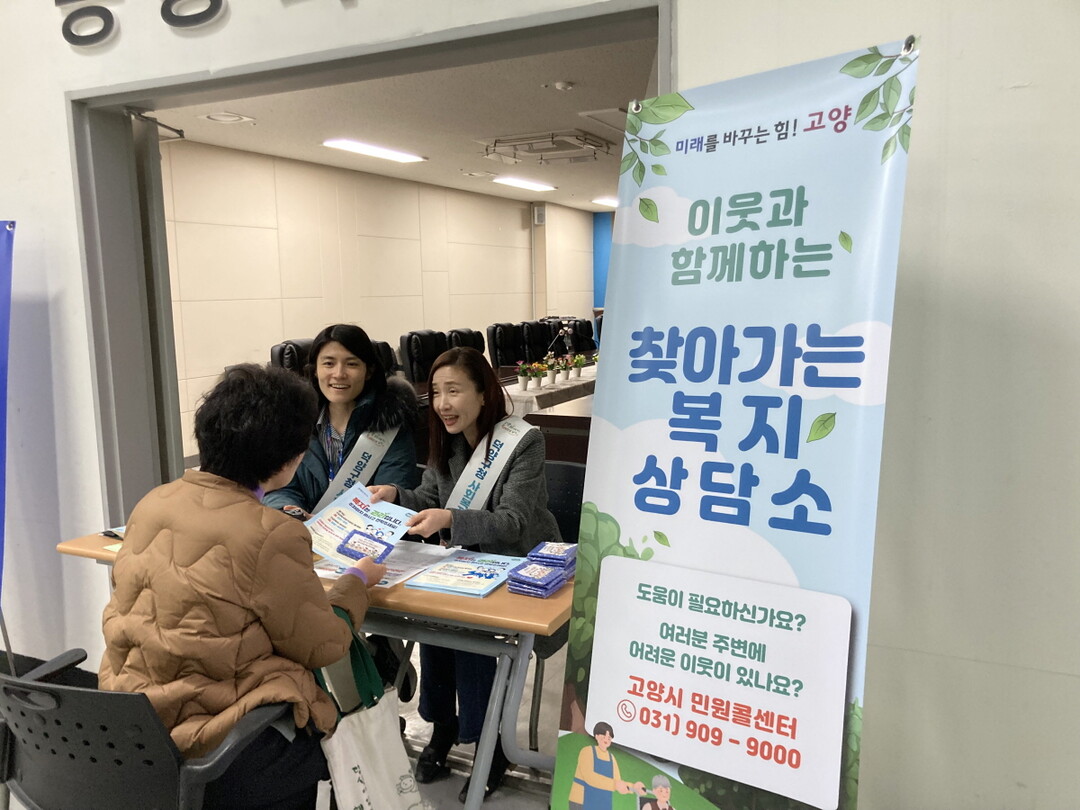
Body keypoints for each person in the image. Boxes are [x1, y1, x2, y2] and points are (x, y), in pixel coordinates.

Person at [99, 364, 387, 810]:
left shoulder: (153, 501)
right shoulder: (270, 533)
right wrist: (356, 583)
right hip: (222, 748)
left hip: (132, 728)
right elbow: (324, 645)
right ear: (289, 458)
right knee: (338, 742)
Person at [369, 346, 561, 801]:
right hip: (462, 562)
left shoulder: (524, 442)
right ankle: (444, 725)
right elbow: (429, 499)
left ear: (484, 392)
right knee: (434, 623)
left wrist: (451, 520)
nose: (442, 404)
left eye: (453, 391)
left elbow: (513, 521)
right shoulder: (448, 442)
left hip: (515, 563)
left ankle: (489, 744)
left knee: (466, 629)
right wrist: (396, 494)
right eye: (436, 392)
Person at [263, 322, 419, 518]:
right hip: (301, 532)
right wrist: (295, 514)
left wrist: (333, 527)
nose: (339, 374)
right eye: (328, 364)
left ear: (369, 371)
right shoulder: (294, 422)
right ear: (315, 370)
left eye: (351, 364)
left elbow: (392, 497)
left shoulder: (390, 423)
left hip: (364, 532)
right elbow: (279, 487)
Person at [568, 722, 647, 810]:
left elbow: (618, 782)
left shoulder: (611, 757)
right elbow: (590, 778)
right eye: (603, 736)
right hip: (581, 800)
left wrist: (634, 787)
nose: (606, 739)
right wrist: (615, 785)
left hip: (603, 802)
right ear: (596, 736)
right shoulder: (587, 751)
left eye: (609, 738)